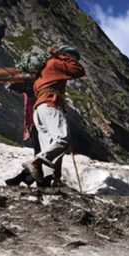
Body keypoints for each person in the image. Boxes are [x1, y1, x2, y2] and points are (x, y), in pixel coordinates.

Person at [23, 46, 84, 188]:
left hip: (39, 109)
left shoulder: (42, 70)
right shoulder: (56, 63)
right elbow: (79, 70)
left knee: (50, 147)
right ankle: (35, 162)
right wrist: (63, 57)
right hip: (51, 104)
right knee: (63, 139)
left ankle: (48, 182)